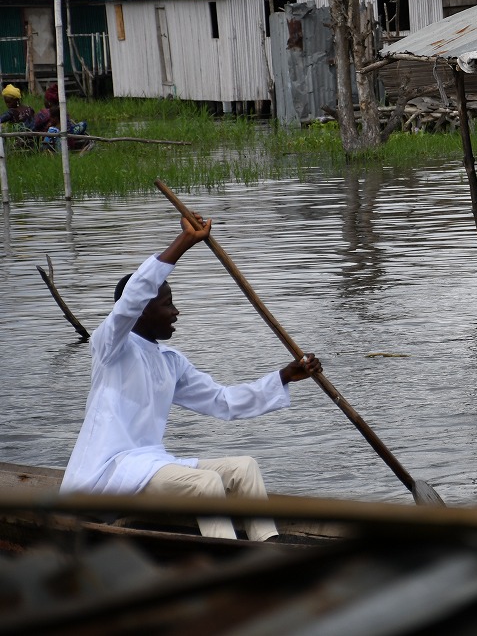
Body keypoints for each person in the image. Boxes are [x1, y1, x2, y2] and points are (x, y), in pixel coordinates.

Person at [61, 215, 323, 541]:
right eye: (168, 304)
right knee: (206, 484)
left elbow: (222, 401)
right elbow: (132, 297)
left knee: (244, 468)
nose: (176, 312)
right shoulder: (110, 346)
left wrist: (283, 376)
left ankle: (269, 548)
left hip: (150, 464)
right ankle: (227, 561)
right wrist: (184, 242)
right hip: (105, 475)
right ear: (143, 310)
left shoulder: (171, 362)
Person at [32, 84, 89, 150]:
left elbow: (34, 125)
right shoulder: (63, 111)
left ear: (49, 102)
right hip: (69, 138)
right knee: (83, 124)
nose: (44, 101)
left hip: (59, 141)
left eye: (45, 99)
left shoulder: (46, 113)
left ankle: (44, 149)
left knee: (52, 130)